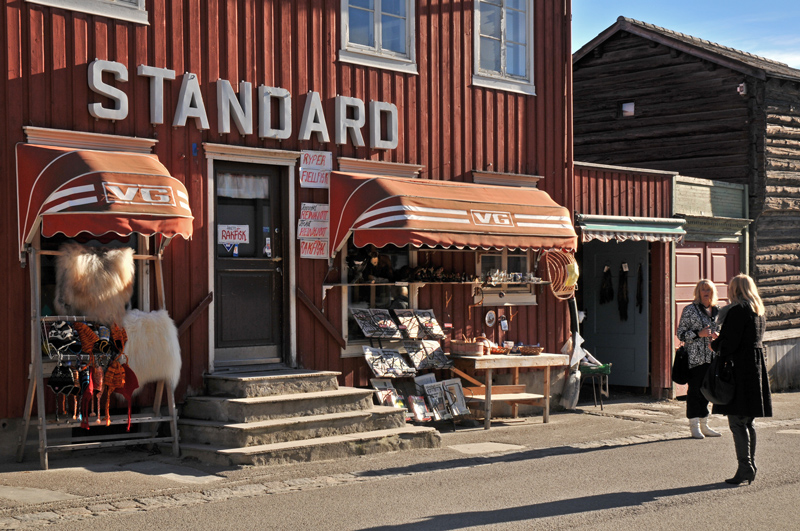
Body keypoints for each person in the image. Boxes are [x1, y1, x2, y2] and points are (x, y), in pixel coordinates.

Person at [711, 274, 772, 485]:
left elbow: (729, 343)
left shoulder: (737, 311)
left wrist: (715, 344)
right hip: (754, 367)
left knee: (737, 421)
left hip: (739, 368)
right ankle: (749, 465)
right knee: (748, 421)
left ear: (735, 290)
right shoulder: (758, 310)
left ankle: (745, 467)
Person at [676, 279, 721, 439]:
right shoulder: (690, 310)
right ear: (698, 292)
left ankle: (705, 424)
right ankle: (694, 426)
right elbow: (680, 333)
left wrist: (717, 336)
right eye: (702, 289)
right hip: (695, 359)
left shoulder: (718, 310)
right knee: (694, 392)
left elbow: (723, 331)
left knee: (707, 392)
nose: (705, 292)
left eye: (708, 289)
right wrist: (698, 334)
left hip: (712, 358)